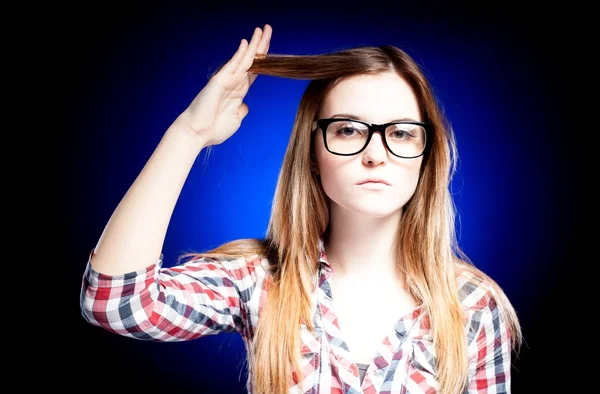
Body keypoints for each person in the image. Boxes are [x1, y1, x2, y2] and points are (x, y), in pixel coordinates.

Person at [80, 24, 523, 393]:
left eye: (402, 133)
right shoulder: (260, 282)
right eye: (349, 130)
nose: (376, 154)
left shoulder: (474, 308)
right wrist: (188, 134)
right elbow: (113, 304)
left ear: (427, 154)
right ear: (312, 153)